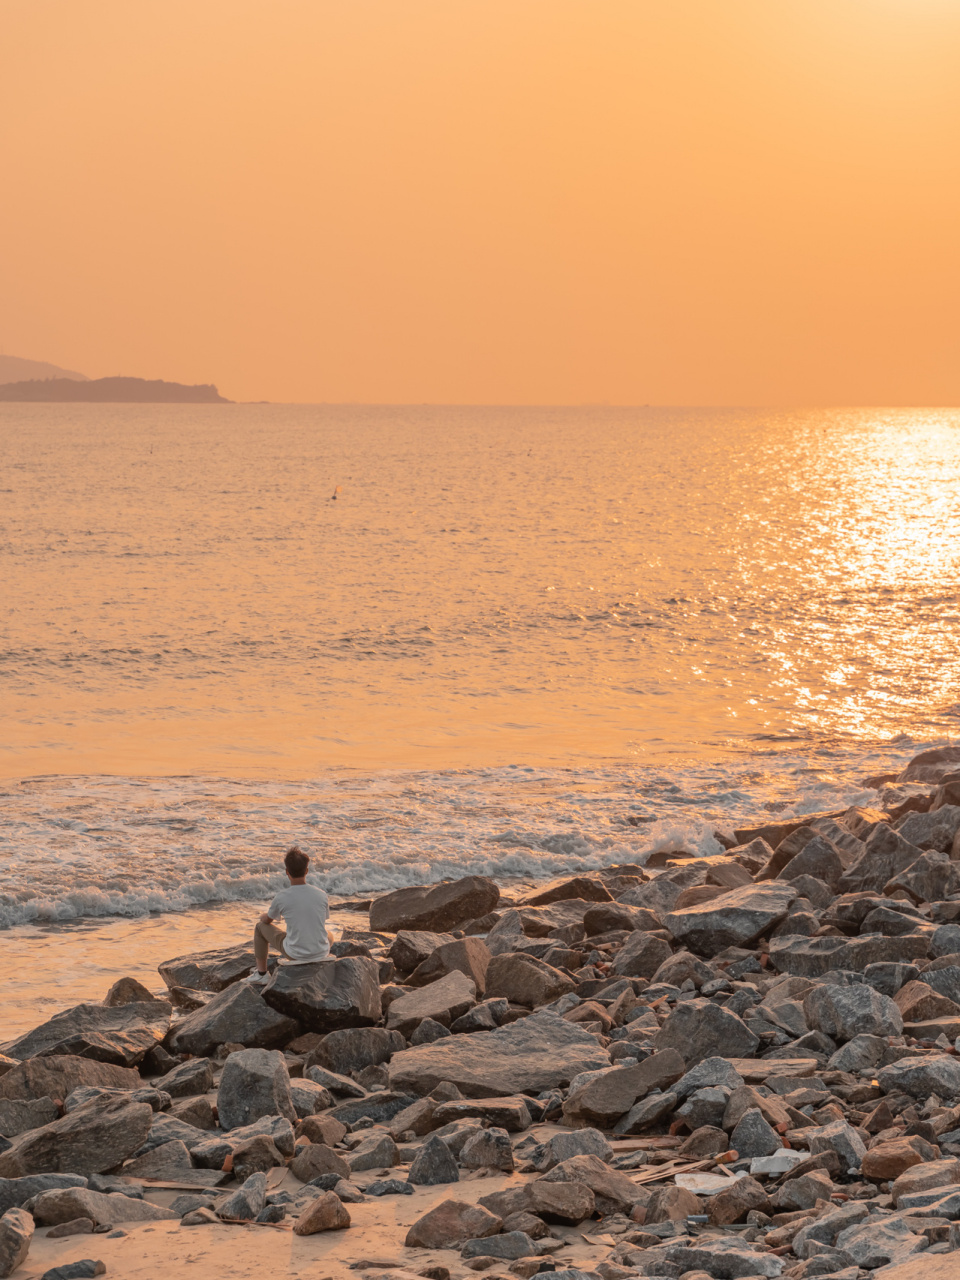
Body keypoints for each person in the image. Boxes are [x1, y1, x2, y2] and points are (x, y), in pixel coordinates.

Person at [246, 846, 330, 984]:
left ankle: (261, 974)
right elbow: (321, 920)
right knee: (329, 935)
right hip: (321, 952)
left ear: (287, 872)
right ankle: (316, 949)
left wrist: (263, 916)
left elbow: (267, 921)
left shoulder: (282, 897)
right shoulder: (321, 894)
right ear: (307, 871)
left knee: (259, 927)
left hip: (296, 954)